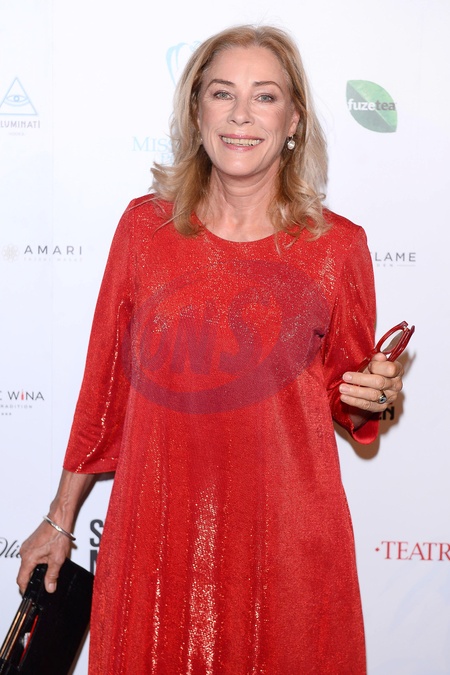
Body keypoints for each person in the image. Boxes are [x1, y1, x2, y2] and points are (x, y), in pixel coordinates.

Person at [17, 25, 404, 674]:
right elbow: (104, 390)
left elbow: (355, 405)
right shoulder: (144, 229)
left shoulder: (337, 248)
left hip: (284, 550)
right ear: (197, 112)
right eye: (223, 93)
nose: (241, 115)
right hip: (158, 539)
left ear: (294, 121)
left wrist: (381, 395)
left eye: (265, 96)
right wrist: (60, 520)